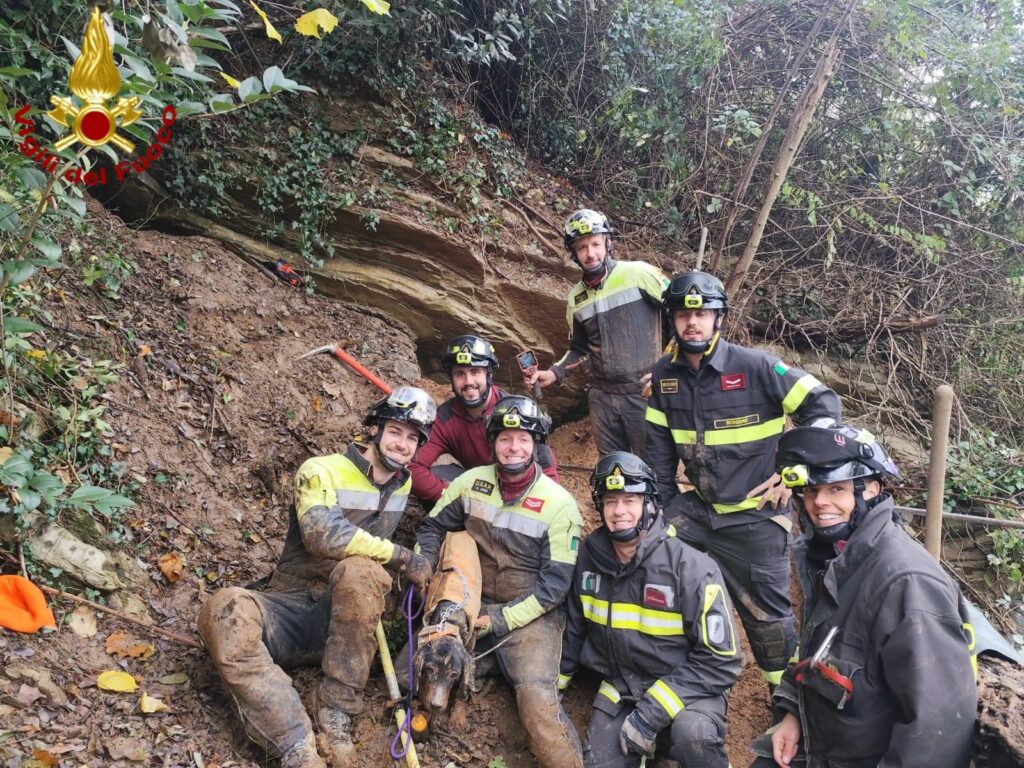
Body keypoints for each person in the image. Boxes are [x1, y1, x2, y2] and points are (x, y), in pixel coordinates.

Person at [198, 387, 438, 768]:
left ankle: (336, 710)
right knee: (223, 609)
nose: (403, 444)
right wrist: (400, 556)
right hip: (288, 608)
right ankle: (294, 744)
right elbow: (322, 533)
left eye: (413, 438)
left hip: (341, 623)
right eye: (396, 431)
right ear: (375, 429)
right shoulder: (321, 470)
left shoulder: (402, 485)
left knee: (363, 572)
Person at [646, 270, 842, 688]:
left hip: (756, 518)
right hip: (697, 514)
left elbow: (824, 404)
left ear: (720, 318)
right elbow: (659, 456)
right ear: (672, 320)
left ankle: (788, 701)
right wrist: (664, 508)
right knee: (652, 568)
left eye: (703, 314)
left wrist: (798, 472)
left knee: (770, 625)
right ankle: (668, 677)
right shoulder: (665, 376)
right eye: (683, 315)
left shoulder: (756, 366)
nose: (692, 323)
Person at [750, 423, 978, 768]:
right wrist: (793, 715)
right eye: (811, 491)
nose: (819, 503)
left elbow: (935, 733)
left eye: (836, 489)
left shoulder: (907, 584)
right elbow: (819, 654)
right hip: (822, 746)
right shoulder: (834, 562)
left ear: (871, 489)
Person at [416, 394, 585, 768]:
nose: (513, 447)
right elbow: (431, 528)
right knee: (409, 669)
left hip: (531, 616)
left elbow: (555, 588)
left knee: (536, 701)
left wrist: (502, 620)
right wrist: (425, 565)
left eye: (523, 439)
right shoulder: (469, 483)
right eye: (505, 438)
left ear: (536, 445)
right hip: (470, 603)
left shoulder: (560, 505)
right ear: (492, 442)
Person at [560, 452, 742, 768]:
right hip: (622, 690)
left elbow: (722, 660)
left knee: (692, 736)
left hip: (688, 691)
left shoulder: (693, 569)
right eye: (610, 501)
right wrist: (554, 684)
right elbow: (574, 628)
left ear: (650, 504)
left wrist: (650, 714)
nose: (619, 511)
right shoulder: (589, 559)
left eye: (630, 500)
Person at [526, 208, 668, 459]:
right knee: (612, 469)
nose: (590, 253)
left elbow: (682, 316)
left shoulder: (639, 274)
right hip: (602, 398)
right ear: (573, 253)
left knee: (654, 467)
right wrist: (554, 373)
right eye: (582, 247)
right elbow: (579, 349)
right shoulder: (576, 298)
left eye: (595, 244)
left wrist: (666, 369)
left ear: (607, 243)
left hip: (644, 393)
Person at [410, 333, 558, 505]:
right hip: (479, 490)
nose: (468, 381)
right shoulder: (445, 417)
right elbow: (412, 466)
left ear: (489, 375)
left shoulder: (515, 411)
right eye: (459, 374)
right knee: (440, 474)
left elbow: (548, 472)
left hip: (519, 491)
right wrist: (452, 498)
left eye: (475, 371)